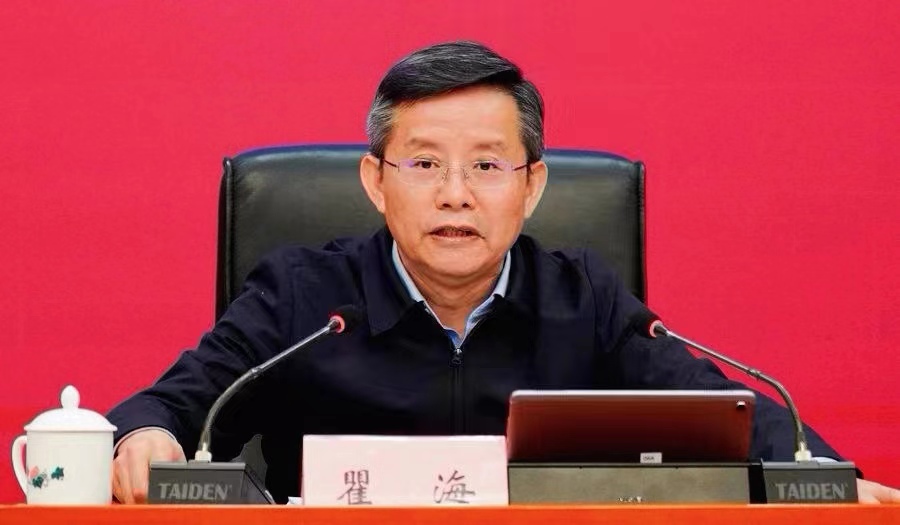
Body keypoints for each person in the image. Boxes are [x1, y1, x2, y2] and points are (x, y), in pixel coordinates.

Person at [107, 40, 900, 505]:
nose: (455, 193)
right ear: (375, 181)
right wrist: (147, 436)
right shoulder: (303, 297)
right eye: (424, 163)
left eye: (487, 164)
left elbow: (720, 414)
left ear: (533, 185)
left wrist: (824, 477)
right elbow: (165, 406)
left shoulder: (583, 299)